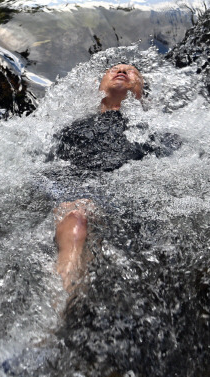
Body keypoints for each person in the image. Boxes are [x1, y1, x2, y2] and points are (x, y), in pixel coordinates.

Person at [53, 64, 157, 292]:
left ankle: (62, 305)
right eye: (114, 69)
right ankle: (64, 301)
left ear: (141, 91)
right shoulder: (71, 128)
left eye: (131, 72)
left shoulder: (153, 129)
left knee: (79, 218)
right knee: (77, 220)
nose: (121, 71)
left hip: (122, 197)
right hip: (75, 193)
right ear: (100, 86)